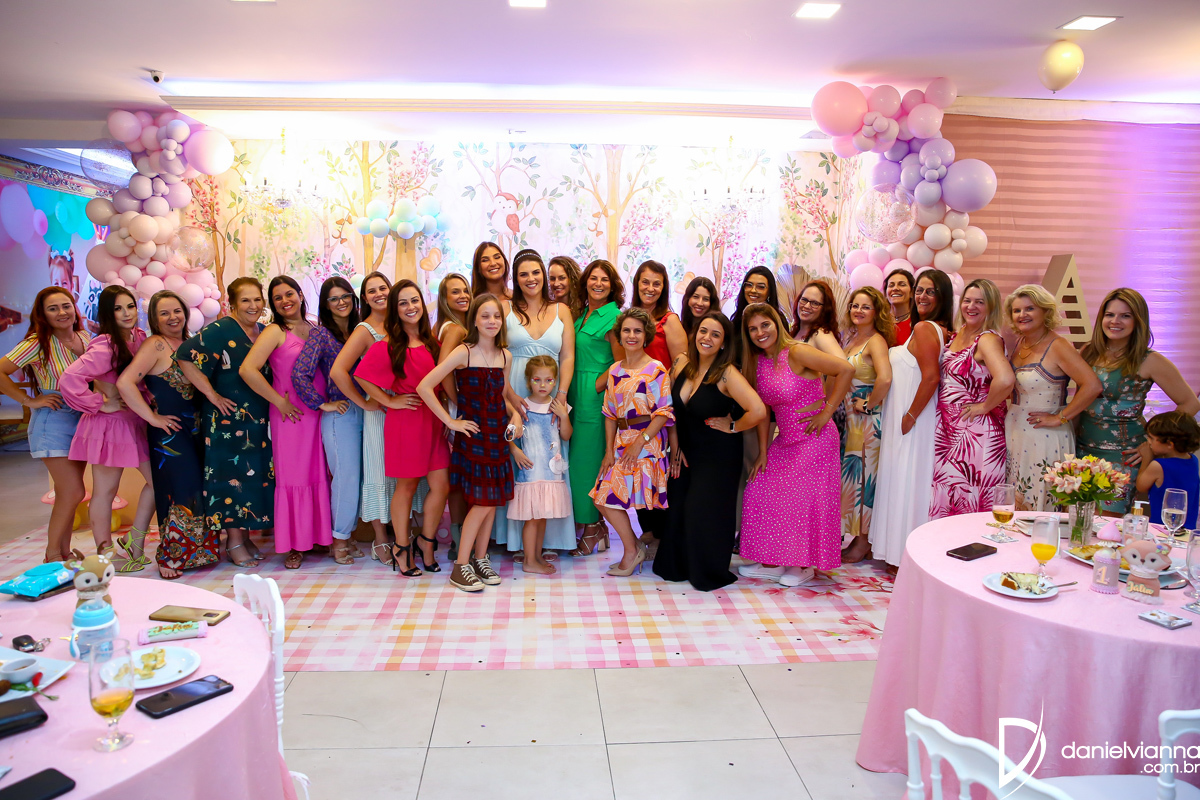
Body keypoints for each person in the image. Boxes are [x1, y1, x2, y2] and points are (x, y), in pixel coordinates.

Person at [737, 304, 853, 586]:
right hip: (786, 438)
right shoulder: (758, 362)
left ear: (776, 323)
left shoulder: (797, 352)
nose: (760, 332)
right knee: (759, 488)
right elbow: (764, 410)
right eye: (753, 329)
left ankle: (802, 566)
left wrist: (827, 411)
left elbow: (845, 369)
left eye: (765, 325)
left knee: (801, 500)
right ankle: (775, 560)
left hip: (815, 437)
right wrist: (763, 451)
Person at [417, 294, 523, 592]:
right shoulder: (463, 352)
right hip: (474, 437)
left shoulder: (505, 356)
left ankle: (479, 558)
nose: (492, 321)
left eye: (497, 316)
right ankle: (460, 566)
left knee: (492, 503)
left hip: (497, 436)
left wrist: (515, 415)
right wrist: (451, 421)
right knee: (482, 502)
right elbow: (425, 386)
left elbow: (500, 396)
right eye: (485, 316)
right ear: (474, 319)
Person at [655, 312, 766, 591]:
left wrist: (733, 426)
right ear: (695, 334)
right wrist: (675, 448)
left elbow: (758, 410)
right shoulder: (682, 364)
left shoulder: (727, 373)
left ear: (724, 343)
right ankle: (680, 565)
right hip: (685, 452)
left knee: (701, 510)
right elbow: (671, 411)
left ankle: (706, 570)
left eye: (716, 335)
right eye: (703, 331)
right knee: (679, 506)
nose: (707, 338)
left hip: (718, 456)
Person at [116, 290, 219, 579]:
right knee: (178, 490)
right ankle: (171, 556)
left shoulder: (190, 342)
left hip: (197, 429)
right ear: (154, 319)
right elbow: (125, 383)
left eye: (177, 311)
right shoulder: (156, 344)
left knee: (198, 488)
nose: (173, 317)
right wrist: (152, 417)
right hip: (170, 433)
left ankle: (199, 552)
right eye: (164, 313)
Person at [354, 280, 450, 577]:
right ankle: (401, 546)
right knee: (406, 487)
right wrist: (388, 400)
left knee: (441, 485)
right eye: (403, 303)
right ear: (395, 310)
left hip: (433, 421)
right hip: (406, 422)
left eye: (415, 300)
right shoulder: (388, 345)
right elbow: (361, 376)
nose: (410, 307)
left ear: (423, 303)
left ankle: (427, 542)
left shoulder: (432, 342)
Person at [177, 277, 274, 568]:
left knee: (251, 479)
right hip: (227, 419)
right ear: (231, 304)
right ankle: (233, 543)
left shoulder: (263, 332)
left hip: (257, 419)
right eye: (245, 300)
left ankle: (244, 538)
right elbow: (184, 356)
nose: (252, 305)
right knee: (232, 479)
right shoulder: (220, 329)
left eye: (257, 299)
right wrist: (212, 394)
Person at [1078, 288, 1200, 514]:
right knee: (1077, 521)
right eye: (1110, 314)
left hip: (1124, 456)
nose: (1115, 321)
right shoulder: (1088, 352)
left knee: (1106, 526)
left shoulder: (1149, 360)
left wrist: (1153, 442)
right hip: (1083, 451)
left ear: (1138, 321)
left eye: (1125, 316)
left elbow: (1189, 403)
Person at [239, 276, 332, 569]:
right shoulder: (275, 332)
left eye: (289, 294)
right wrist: (278, 401)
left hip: (319, 411)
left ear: (301, 295)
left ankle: (317, 538)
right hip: (290, 416)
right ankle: (293, 544)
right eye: (277, 297)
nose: (284, 301)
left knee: (319, 473)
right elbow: (247, 370)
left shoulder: (316, 329)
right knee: (293, 478)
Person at [59, 286, 153, 568]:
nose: (126, 313)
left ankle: (134, 541)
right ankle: (105, 554)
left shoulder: (140, 337)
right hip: (109, 426)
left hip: (136, 421)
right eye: (117, 308)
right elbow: (69, 379)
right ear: (107, 313)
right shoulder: (105, 344)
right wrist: (99, 403)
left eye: (130, 306)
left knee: (158, 482)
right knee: (105, 491)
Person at [870, 270, 954, 569]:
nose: (922, 296)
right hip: (912, 416)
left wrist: (909, 415)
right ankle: (904, 553)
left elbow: (931, 377)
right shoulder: (937, 329)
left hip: (913, 418)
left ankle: (903, 556)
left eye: (930, 291)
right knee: (908, 481)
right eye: (920, 290)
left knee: (907, 481)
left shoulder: (924, 329)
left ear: (943, 297)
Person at [494, 251, 577, 556]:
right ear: (516, 279)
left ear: (544, 275)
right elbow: (495, 354)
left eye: (536, 272)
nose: (531, 279)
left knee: (550, 458)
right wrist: (508, 394)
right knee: (519, 460)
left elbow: (567, 356)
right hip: (514, 389)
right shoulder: (504, 309)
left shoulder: (561, 310)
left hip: (551, 391)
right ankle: (517, 542)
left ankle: (551, 539)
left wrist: (562, 394)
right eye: (523, 274)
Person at [0, 287, 91, 562]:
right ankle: (52, 555)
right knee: (73, 491)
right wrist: (29, 401)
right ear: (43, 315)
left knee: (69, 493)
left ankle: (64, 553)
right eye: (53, 308)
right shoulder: (37, 342)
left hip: (83, 418)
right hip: (54, 419)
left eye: (66, 305)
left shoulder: (85, 338)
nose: (62, 312)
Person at [590, 307, 674, 577]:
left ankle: (631, 550)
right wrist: (608, 450)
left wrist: (641, 441)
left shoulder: (656, 369)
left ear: (646, 335)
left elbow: (664, 412)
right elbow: (609, 413)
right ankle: (633, 547)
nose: (631, 335)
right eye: (626, 330)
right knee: (601, 497)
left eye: (637, 331)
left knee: (606, 497)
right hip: (621, 442)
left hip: (647, 444)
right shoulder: (614, 370)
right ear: (619, 335)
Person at [1005, 284, 1102, 511]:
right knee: (1018, 503)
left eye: (1030, 308)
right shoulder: (1020, 343)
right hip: (1017, 432)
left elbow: (1092, 385)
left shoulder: (1058, 345)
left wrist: (1060, 417)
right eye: (1017, 310)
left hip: (1045, 436)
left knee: (1043, 503)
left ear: (1045, 311)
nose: (1022, 315)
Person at [291, 277, 364, 565]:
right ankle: (339, 539)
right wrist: (322, 403)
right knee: (346, 478)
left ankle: (349, 535)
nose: (341, 302)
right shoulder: (321, 334)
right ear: (325, 304)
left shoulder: (362, 329)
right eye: (334, 298)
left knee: (360, 478)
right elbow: (300, 373)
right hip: (341, 415)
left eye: (345, 295)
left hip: (368, 410)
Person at [929, 279, 1015, 519]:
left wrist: (984, 406)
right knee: (948, 495)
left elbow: (1005, 379)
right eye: (967, 300)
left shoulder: (987, 339)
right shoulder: (958, 334)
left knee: (970, 496)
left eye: (980, 302)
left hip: (975, 434)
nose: (971, 306)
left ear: (991, 307)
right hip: (950, 432)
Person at [330, 271, 394, 564]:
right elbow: (338, 371)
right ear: (365, 299)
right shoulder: (365, 330)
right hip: (379, 411)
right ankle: (380, 539)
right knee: (378, 473)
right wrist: (364, 403)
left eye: (383, 288)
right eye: (372, 291)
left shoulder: (401, 322)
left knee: (401, 475)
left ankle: (402, 534)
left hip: (404, 409)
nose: (379, 294)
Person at [567, 259, 625, 556]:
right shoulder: (581, 316)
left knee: (585, 467)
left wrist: (596, 386)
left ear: (612, 286)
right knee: (574, 464)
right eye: (593, 278)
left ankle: (592, 528)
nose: (598, 283)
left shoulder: (614, 317)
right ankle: (595, 527)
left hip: (592, 398)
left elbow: (622, 361)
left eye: (604, 279)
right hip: (574, 394)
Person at [629, 260, 686, 556]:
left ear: (663, 288)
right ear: (637, 283)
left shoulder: (669, 321)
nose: (650, 288)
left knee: (658, 472)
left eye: (656, 283)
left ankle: (663, 536)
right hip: (634, 408)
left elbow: (681, 364)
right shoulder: (630, 318)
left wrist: (660, 392)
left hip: (661, 407)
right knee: (637, 470)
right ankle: (647, 533)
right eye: (645, 282)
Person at [839, 287, 894, 564]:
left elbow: (885, 378)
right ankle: (858, 538)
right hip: (851, 421)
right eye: (855, 305)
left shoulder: (876, 341)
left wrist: (870, 404)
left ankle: (864, 542)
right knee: (855, 478)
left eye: (865, 307)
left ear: (876, 312)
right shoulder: (851, 339)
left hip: (868, 422)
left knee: (865, 481)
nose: (858, 311)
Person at [508, 356, 574, 575]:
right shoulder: (522, 407)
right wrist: (515, 450)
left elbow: (566, 435)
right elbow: (508, 434)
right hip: (531, 472)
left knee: (542, 516)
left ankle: (536, 557)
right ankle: (529, 560)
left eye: (548, 380)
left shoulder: (557, 406)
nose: (543, 385)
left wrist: (564, 416)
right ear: (529, 381)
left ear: (555, 381)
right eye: (537, 380)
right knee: (533, 518)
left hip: (551, 474)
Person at [435, 273, 472, 552]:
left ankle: (460, 538)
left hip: (448, 409)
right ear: (444, 299)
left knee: (457, 477)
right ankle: (461, 541)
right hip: (455, 410)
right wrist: (457, 401)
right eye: (455, 292)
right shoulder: (456, 329)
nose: (463, 296)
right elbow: (443, 369)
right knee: (461, 478)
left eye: (465, 290)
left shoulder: (442, 326)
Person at [1137, 411, 1200, 530]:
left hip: (1162, 528)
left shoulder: (1158, 466)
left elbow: (1141, 486)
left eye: (1151, 438)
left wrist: (1147, 458)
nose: (1148, 442)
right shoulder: (1193, 460)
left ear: (1170, 444)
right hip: (1187, 529)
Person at [730, 267, 785, 334]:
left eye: (760, 287)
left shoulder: (778, 319)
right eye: (749, 285)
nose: (753, 290)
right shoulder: (738, 318)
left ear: (770, 291)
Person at [884, 267, 916, 345]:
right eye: (891, 285)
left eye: (902, 285)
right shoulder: (879, 320)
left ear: (912, 292)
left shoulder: (917, 322)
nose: (895, 288)